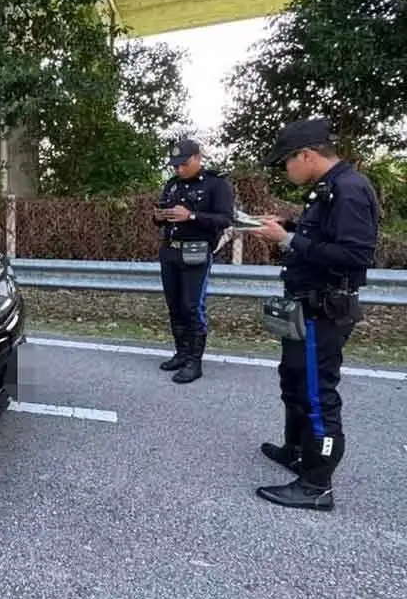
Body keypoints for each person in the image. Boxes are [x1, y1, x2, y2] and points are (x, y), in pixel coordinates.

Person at [249, 117, 379, 511]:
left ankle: (316, 484)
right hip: (303, 305)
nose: (285, 170)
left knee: (317, 394)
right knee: (293, 379)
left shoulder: (349, 190)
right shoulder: (327, 189)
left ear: (305, 155)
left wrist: (286, 239)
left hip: (323, 310)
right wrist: (288, 226)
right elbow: (322, 235)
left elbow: (356, 254)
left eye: (286, 162)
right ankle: (297, 449)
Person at [153, 138, 235, 384]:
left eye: (184, 164)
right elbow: (163, 217)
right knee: (175, 305)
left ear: (198, 158)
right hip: (170, 251)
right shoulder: (172, 185)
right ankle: (181, 352)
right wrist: (160, 216)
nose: (179, 169)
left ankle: (194, 361)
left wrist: (191, 215)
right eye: (175, 165)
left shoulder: (216, 184)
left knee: (191, 306)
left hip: (196, 253)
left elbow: (225, 219)